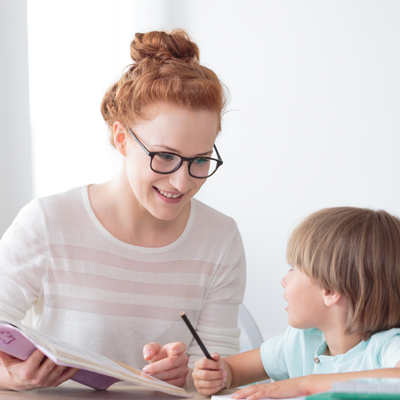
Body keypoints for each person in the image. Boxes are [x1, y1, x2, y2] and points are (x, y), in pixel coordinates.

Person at [0, 29, 246, 391]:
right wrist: (10, 377)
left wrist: (189, 376)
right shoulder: (48, 223)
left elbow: (217, 368)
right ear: (121, 139)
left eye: (200, 160)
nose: (181, 182)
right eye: (164, 156)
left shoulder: (220, 239)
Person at [193, 207, 400, 399]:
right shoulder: (300, 341)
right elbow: (233, 370)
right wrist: (218, 374)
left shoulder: (387, 347)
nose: (284, 280)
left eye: (293, 269)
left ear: (330, 290)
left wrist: (307, 384)